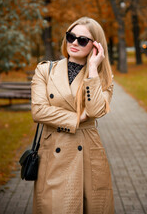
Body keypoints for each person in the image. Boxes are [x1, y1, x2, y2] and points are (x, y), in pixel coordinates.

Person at [31, 16, 114, 214]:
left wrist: (93, 68)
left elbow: (95, 111)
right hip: (53, 149)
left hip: (87, 152)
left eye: (83, 40)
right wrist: (78, 118)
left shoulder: (103, 78)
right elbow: (39, 111)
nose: (74, 43)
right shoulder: (45, 70)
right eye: (71, 37)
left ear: (95, 46)